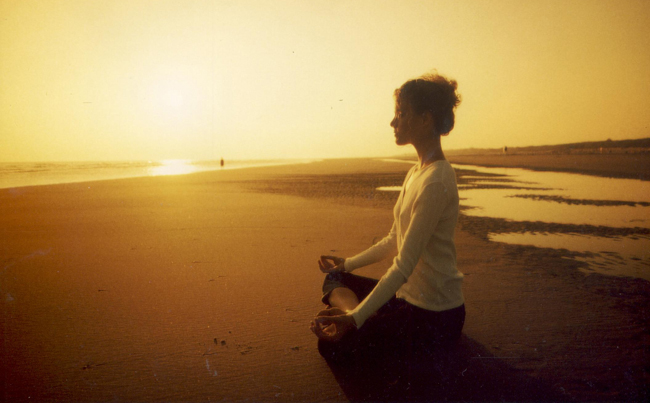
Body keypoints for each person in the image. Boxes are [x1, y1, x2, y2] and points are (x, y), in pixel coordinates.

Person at [311, 72, 465, 364]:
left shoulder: (436, 180)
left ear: (425, 119)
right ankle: (357, 315)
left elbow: (403, 265)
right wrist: (347, 263)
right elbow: (394, 239)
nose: (394, 122)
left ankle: (357, 318)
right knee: (335, 276)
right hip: (404, 299)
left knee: (331, 346)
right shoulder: (416, 172)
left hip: (435, 315)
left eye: (402, 113)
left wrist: (355, 319)